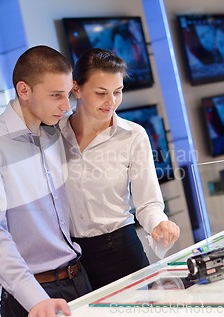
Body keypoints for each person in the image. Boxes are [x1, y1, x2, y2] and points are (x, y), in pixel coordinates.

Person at [0, 45, 91, 317]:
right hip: (35, 296)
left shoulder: (57, 131)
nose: (66, 106)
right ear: (24, 91)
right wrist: (35, 300)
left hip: (79, 280)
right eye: (56, 96)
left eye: (67, 95)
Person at [59, 48, 180, 290]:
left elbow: (148, 203)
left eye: (118, 92)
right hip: (69, 261)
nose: (111, 102)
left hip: (120, 251)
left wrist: (159, 223)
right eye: (101, 93)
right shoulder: (52, 134)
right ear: (77, 88)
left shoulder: (133, 136)